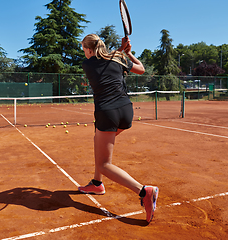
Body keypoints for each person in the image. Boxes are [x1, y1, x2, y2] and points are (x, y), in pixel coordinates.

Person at [78, 34, 159, 223]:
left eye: (84, 49)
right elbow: (141, 69)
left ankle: (144, 191)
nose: (84, 53)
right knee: (97, 139)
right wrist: (128, 53)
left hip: (107, 113)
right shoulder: (118, 58)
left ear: (89, 50)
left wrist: (122, 51)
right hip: (126, 111)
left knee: (104, 164)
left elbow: (102, 62)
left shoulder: (87, 64)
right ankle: (97, 184)